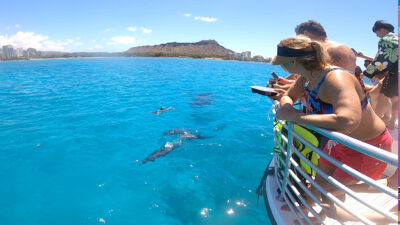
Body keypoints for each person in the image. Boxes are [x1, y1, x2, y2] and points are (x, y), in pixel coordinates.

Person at [270, 35, 393, 222]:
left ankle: (326, 218)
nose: (282, 68)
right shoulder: (307, 78)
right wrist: (287, 106)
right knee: (318, 182)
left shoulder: (337, 79)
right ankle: (307, 205)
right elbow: (288, 96)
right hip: (339, 141)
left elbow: (349, 120)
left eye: (283, 63)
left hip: (368, 147)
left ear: (294, 62)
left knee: (331, 189)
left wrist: (295, 117)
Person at [357, 21, 398, 129]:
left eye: (376, 32)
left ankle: (373, 125)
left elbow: (381, 59)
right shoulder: (397, 38)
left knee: (382, 98)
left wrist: (365, 73)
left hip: (395, 74)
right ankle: (392, 122)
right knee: (395, 99)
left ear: (382, 29)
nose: (377, 35)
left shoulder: (386, 40)